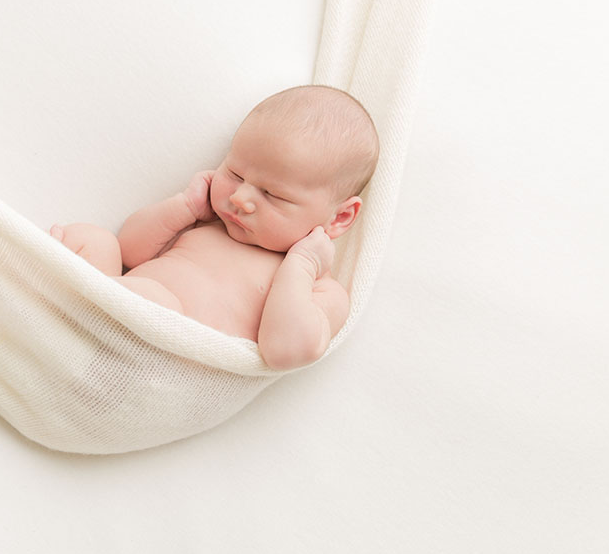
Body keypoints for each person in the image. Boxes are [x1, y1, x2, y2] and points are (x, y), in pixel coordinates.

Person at [50, 85, 379, 370]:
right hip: (122, 301)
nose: (240, 197)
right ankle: (57, 311)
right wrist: (185, 207)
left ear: (340, 218)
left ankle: (74, 311)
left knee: (152, 298)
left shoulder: (321, 288)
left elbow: (286, 351)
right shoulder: (210, 223)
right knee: (93, 239)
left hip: (165, 354)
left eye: (272, 194)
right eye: (235, 173)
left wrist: (303, 264)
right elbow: (131, 252)